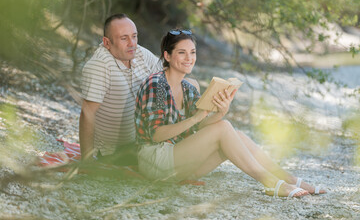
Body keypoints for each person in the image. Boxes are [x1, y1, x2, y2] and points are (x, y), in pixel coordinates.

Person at [135, 29, 326, 197]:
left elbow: (199, 127)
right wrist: (197, 117)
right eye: (182, 53)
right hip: (155, 161)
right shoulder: (157, 84)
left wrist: (220, 112)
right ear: (167, 56)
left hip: (179, 161)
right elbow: (157, 134)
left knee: (238, 135)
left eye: (192, 52)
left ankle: (288, 178)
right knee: (224, 128)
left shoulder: (189, 86)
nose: (189, 58)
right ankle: (271, 183)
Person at [79, 13, 162, 164]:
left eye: (134, 36)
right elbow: (87, 112)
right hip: (117, 151)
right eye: (124, 38)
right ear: (107, 43)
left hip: (144, 139)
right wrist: (87, 159)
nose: (132, 43)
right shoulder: (100, 66)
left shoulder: (138, 53)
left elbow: (169, 76)